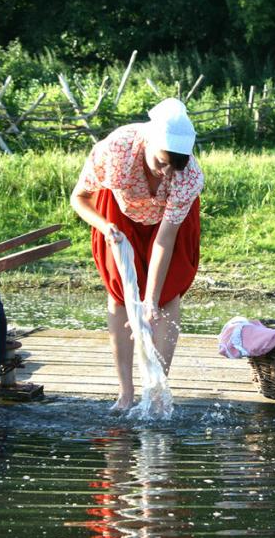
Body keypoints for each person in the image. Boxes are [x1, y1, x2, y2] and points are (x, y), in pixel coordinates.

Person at [70, 97, 204, 410]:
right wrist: (105, 227)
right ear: (148, 141)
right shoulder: (114, 150)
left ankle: (158, 391)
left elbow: (165, 239)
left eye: (175, 164)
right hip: (118, 213)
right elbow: (79, 198)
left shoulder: (188, 176)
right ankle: (126, 393)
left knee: (167, 293)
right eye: (161, 162)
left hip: (167, 224)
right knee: (119, 292)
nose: (166, 172)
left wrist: (151, 301)